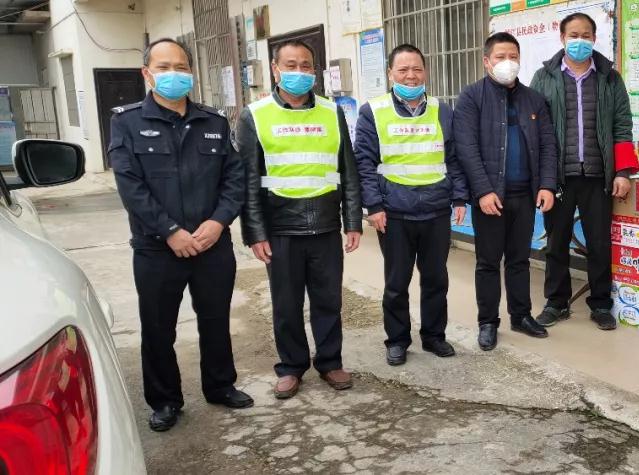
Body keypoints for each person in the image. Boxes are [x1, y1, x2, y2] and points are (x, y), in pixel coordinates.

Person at [110, 38, 251, 432]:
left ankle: (220, 386)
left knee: (215, 320)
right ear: (147, 74)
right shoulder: (126, 121)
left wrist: (219, 222)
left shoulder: (213, 121)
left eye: (182, 66)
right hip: (157, 248)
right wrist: (170, 231)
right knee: (158, 328)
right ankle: (165, 400)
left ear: (192, 72)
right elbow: (131, 186)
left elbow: (234, 178)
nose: (174, 74)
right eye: (164, 67)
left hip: (211, 244)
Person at [238, 40, 363, 399]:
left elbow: (348, 170)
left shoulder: (331, 112)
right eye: (290, 65)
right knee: (286, 304)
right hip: (280, 228)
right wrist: (255, 232)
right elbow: (248, 180)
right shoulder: (254, 115)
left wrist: (352, 221)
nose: (299, 72)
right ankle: (291, 367)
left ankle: (330, 361)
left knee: (328, 300)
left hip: (325, 224)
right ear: (275, 69)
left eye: (306, 65)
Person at [355, 44, 469, 366]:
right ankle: (397, 340)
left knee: (436, 279)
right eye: (403, 70)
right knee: (396, 282)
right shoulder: (373, 111)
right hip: (394, 213)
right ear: (390, 73)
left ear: (425, 72)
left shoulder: (441, 110)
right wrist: (373, 206)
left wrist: (460, 197)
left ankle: (434, 336)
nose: (410, 75)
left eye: (417, 69)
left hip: (435, 210)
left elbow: (453, 158)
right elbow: (364, 162)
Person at [529, 13, 639, 330]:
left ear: (594, 38)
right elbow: (536, 130)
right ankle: (556, 302)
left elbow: (622, 126)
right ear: (562, 38)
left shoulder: (609, 78)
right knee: (556, 242)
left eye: (586, 35)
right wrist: (542, 180)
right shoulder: (544, 77)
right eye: (574, 35)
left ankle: (601, 304)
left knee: (599, 243)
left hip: (598, 176)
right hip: (558, 177)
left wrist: (622, 172)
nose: (580, 41)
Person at [454, 32, 558, 351]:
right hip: (491, 198)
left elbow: (547, 145)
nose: (507, 62)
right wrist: (483, 191)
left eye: (513, 56)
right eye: (500, 57)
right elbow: (466, 148)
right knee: (488, 262)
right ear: (487, 61)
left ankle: (521, 315)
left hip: (524, 195)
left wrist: (547, 185)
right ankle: (488, 322)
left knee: (519, 260)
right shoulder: (472, 97)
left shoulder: (534, 99)